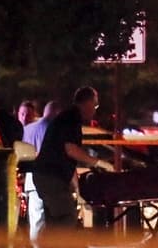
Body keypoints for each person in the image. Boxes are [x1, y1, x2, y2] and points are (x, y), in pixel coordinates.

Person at [32, 87, 114, 237]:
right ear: (87, 103)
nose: (95, 111)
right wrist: (99, 163)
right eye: (95, 106)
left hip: (47, 175)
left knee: (55, 220)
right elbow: (71, 150)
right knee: (67, 216)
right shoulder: (71, 118)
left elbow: (67, 159)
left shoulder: (67, 117)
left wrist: (77, 189)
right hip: (51, 177)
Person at [21, 100, 63, 248]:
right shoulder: (53, 130)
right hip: (50, 178)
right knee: (51, 219)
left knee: (36, 219)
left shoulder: (27, 129)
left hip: (31, 179)